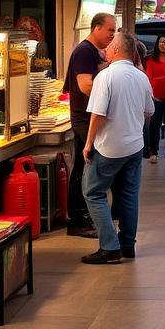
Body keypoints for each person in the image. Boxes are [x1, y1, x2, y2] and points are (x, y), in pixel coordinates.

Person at [81, 33, 155, 265]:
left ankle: (110, 246)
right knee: (129, 194)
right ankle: (127, 244)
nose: (107, 49)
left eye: (110, 45)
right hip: (134, 146)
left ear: (116, 50)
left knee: (93, 192)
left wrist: (88, 142)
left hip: (109, 147)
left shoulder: (106, 76)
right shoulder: (141, 77)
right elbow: (149, 111)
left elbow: (98, 114)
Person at [62, 13, 117, 238]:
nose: (112, 35)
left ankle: (83, 216)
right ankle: (79, 219)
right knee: (87, 169)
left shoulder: (93, 52)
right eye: (110, 30)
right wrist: (112, 94)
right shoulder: (84, 51)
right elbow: (85, 86)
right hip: (84, 120)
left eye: (114, 31)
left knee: (83, 169)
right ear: (96, 28)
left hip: (87, 118)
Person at [142, 35, 165, 163]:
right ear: (158, 44)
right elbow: (148, 78)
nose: (164, 44)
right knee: (154, 125)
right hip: (156, 97)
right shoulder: (150, 59)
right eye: (162, 42)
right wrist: (151, 95)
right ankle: (153, 152)